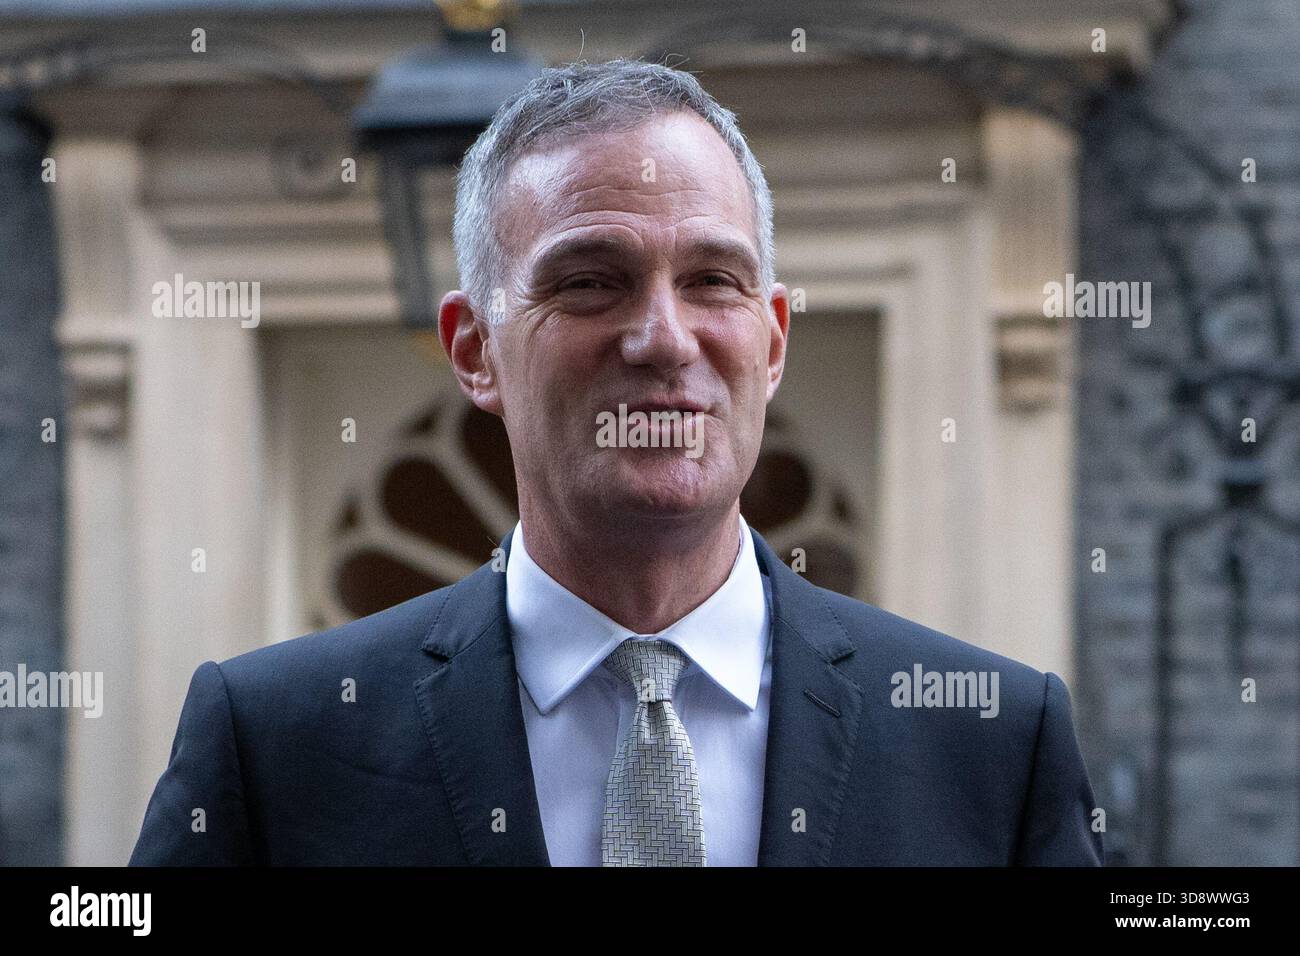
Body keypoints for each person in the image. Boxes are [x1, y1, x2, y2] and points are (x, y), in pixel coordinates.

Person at [130, 58, 1103, 866]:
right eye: (590, 281)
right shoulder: (273, 743)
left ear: (770, 341)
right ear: (473, 350)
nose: (661, 338)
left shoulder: (990, 744)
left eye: (711, 280)